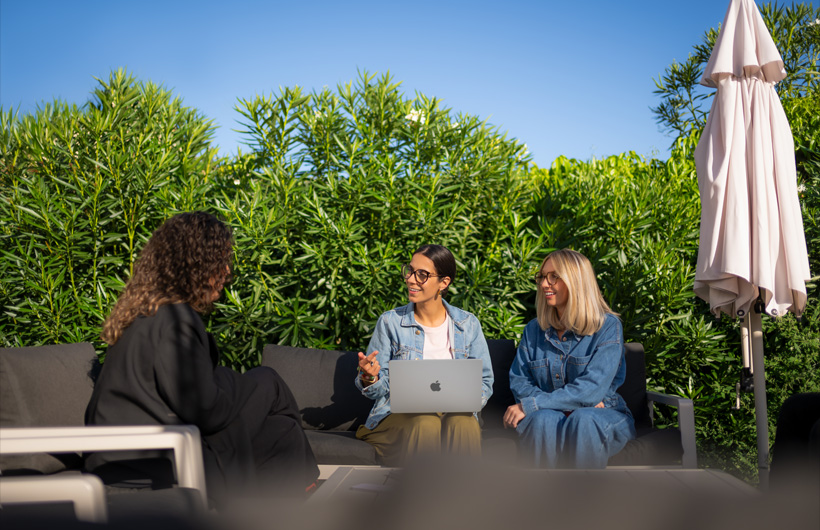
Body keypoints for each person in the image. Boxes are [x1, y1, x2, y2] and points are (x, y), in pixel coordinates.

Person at [85, 212, 318, 502]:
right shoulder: (175, 319)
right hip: (155, 460)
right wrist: (230, 386)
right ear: (197, 264)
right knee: (268, 383)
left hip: (137, 452)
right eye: (220, 261)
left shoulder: (143, 313)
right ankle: (303, 490)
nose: (227, 271)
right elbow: (206, 410)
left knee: (283, 431)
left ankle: (300, 490)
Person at [354, 244, 493, 466]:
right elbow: (375, 390)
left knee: (465, 423)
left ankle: (466, 496)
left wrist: (469, 401)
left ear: (444, 282)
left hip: (454, 414)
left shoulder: (468, 324)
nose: (410, 279)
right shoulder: (390, 322)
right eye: (410, 271)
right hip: (398, 417)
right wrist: (370, 377)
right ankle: (419, 496)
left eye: (422, 275)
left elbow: (484, 381)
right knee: (426, 422)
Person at [503, 249, 635, 468]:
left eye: (554, 276)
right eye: (543, 277)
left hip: (603, 416)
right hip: (547, 416)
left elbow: (591, 390)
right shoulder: (534, 330)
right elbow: (520, 380)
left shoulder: (608, 327)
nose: (545, 284)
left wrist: (534, 404)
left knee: (583, 420)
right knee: (543, 419)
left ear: (576, 281)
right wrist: (557, 407)